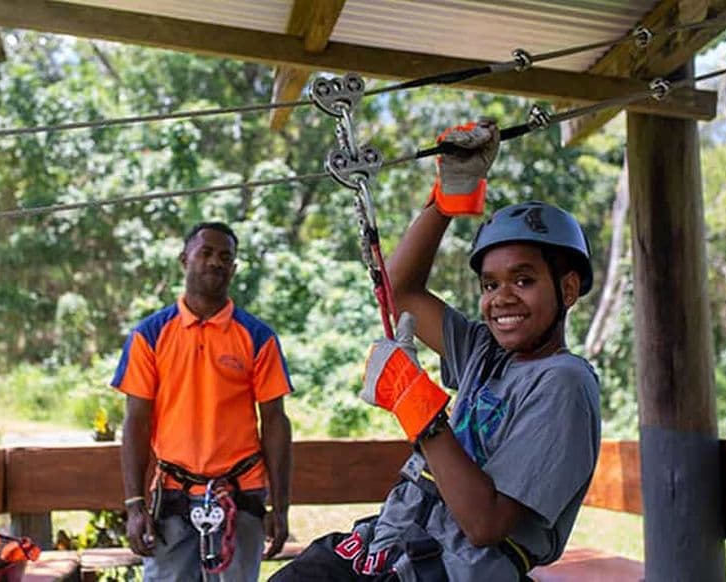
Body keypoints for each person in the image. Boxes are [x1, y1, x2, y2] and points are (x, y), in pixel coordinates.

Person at [270, 120, 601, 581]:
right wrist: (446, 200)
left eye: (524, 280)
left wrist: (417, 408)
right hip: (392, 545)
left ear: (567, 289)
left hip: (447, 568)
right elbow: (399, 291)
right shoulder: (486, 354)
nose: (501, 298)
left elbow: (485, 524)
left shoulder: (563, 382)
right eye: (490, 284)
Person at [112, 221, 293, 582]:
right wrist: (134, 505)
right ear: (185, 259)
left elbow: (275, 422)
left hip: (239, 497)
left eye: (226, 257)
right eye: (206, 252)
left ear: (234, 269)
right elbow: (136, 421)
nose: (215, 262)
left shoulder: (257, 337)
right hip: (172, 498)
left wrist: (280, 507)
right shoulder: (150, 336)